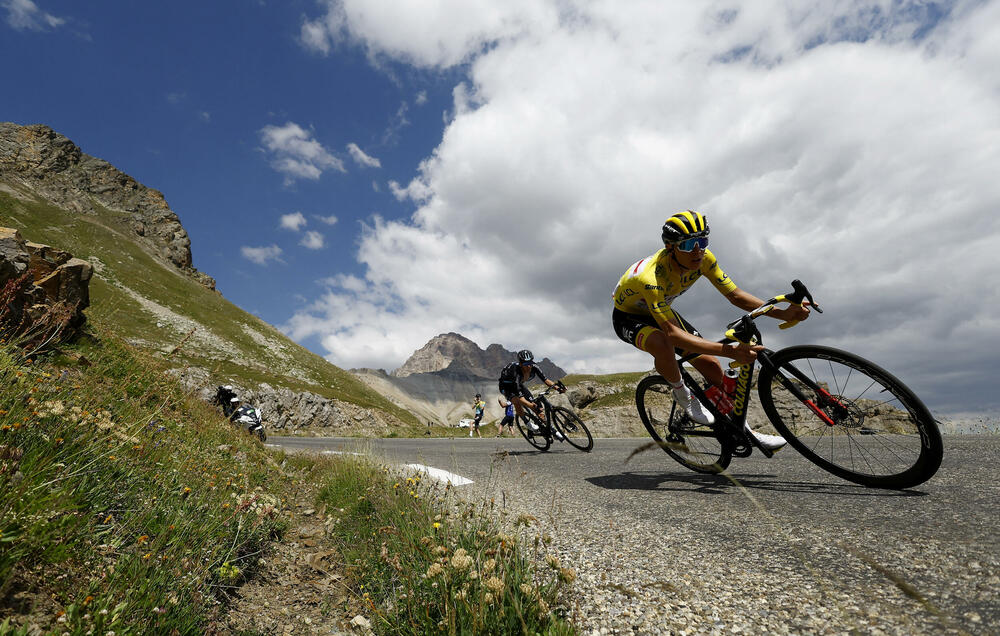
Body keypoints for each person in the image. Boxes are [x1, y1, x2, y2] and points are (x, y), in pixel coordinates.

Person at [611, 210, 810, 451]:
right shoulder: (650, 277)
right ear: (670, 246)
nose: (697, 250)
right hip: (628, 317)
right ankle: (683, 395)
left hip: (660, 311)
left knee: (713, 366)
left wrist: (782, 313)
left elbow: (735, 295)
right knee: (663, 342)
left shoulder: (705, 259)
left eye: (702, 241)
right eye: (688, 244)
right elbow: (673, 335)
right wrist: (731, 352)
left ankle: (744, 431)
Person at [498, 350, 567, 436]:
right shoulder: (516, 373)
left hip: (519, 384)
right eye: (526, 364)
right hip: (506, 386)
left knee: (536, 407)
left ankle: (552, 430)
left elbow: (546, 380)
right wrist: (530, 405)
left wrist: (558, 388)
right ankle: (527, 423)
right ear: (520, 364)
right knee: (517, 401)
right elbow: (521, 398)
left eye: (530, 363)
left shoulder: (534, 367)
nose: (529, 366)